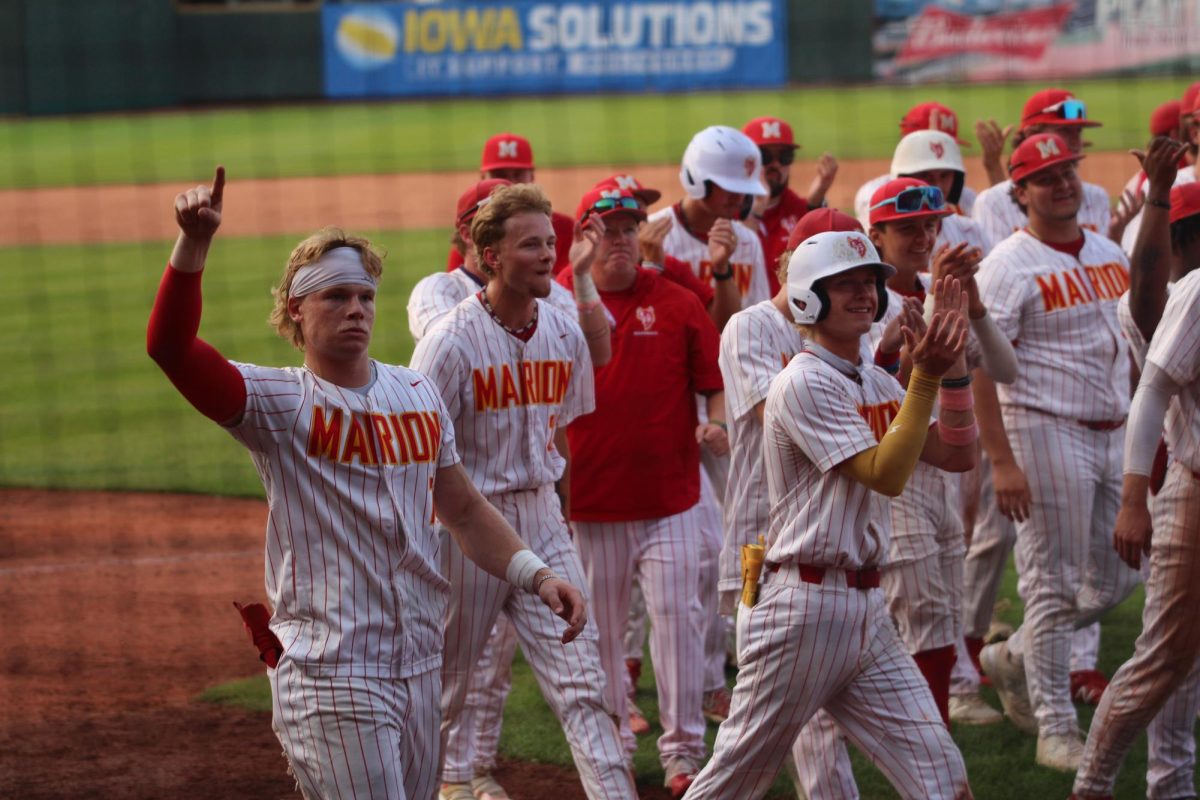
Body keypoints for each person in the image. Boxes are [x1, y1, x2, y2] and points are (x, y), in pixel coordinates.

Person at [147, 167, 587, 800]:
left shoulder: (416, 391)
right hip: (331, 671)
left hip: (418, 663)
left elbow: (461, 508)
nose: (356, 308)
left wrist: (537, 574)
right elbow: (170, 348)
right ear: (296, 311)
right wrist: (192, 246)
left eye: (364, 295)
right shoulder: (277, 403)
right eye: (335, 297)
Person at [686, 230, 976, 799]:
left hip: (867, 610)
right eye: (845, 285)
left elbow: (957, 453)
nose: (865, 294)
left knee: (943, 778)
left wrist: (954, 361)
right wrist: (924, 379)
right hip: (801, 611)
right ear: (806, 298)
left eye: (869, 282)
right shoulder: (800, 382)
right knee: (732, 782)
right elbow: (886, 474)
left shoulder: (869, 379)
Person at [411, 183, 636, 800]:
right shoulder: (448, 342)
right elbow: (420, 461)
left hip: (540, 519)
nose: (547, 255)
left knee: (584, 684)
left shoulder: (564, 334)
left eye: (551, 243)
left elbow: (558, 435)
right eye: (531, 245)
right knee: (444, 690)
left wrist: (557, 520)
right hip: (464, 530)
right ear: (489, 257)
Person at [974, 134, 1141, 771]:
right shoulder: (1008, 264)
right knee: (1051, 582)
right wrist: (1003, 460)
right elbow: (984, 368)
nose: (1062, 183)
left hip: (1113, 427)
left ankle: (1014, 654)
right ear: (1019, 193)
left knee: (1122, 573)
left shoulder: (1106, 250)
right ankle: (1055, 728)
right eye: (1044, 177)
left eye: (1067, 170)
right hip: (1044, 428)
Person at [558, 187, 727, 797]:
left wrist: (717, 419)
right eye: (609, 228)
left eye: (631, 227)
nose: (623, 238)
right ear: (583, 238)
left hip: (674, 497)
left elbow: (713, 381)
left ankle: (684, 754)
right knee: (597, 632)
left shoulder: (678, 301)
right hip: (594, 504)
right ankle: (614, 750)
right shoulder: (555, 302)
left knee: (679, 621)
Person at [1071, 144, 1200, 800]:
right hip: (1177, 491)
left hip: (1166, 485)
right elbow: (1147, 283)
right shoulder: (1176, 296)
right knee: (1164, 665)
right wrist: (1156, 193)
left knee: (1179, 667)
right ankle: (1095, 785)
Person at [866, 177, 1017, 728]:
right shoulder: (862, 298)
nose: (924, 236)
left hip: (942, 476)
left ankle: (928, 724)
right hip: (890, 477)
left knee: (941, 609)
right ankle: (927, 738)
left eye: (931, 225)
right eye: (908, 228)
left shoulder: (944, 289)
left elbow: (1004, 370)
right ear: (875, 233)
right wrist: (936, 301)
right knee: (920, 614)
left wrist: (973, 307)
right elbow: (885, 389)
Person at [648, 124, 771, 329]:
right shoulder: (653, 238)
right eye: (730, 188)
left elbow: (763, 319)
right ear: (698, 180)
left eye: (744, 190)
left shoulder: (748, 241)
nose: (739, 199)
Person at [971, 88, 1112, 246]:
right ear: (1031, 134)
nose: (1075, 141)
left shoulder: (1098, 197)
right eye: (1064, 131)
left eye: (1078, 131)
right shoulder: (992, 203)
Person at [444, 132, 576, 274]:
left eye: (518, 175)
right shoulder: (474, 235)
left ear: (532, 176)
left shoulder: (564, 227)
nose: (509, 184)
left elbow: (569, 287)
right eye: (500, 175)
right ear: (482, 178)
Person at [741, 115, 838, 294]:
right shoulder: (727, 207)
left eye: (784, 157)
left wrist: (815, 202)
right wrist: (757, 210)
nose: (775, 165)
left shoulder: (798, 209)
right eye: (765, 156)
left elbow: (827, 262)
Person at [854, 101, 982, 222]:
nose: (940, 152)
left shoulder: (967, 197)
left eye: (947, 145)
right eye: (932, 146)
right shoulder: (872, 194)